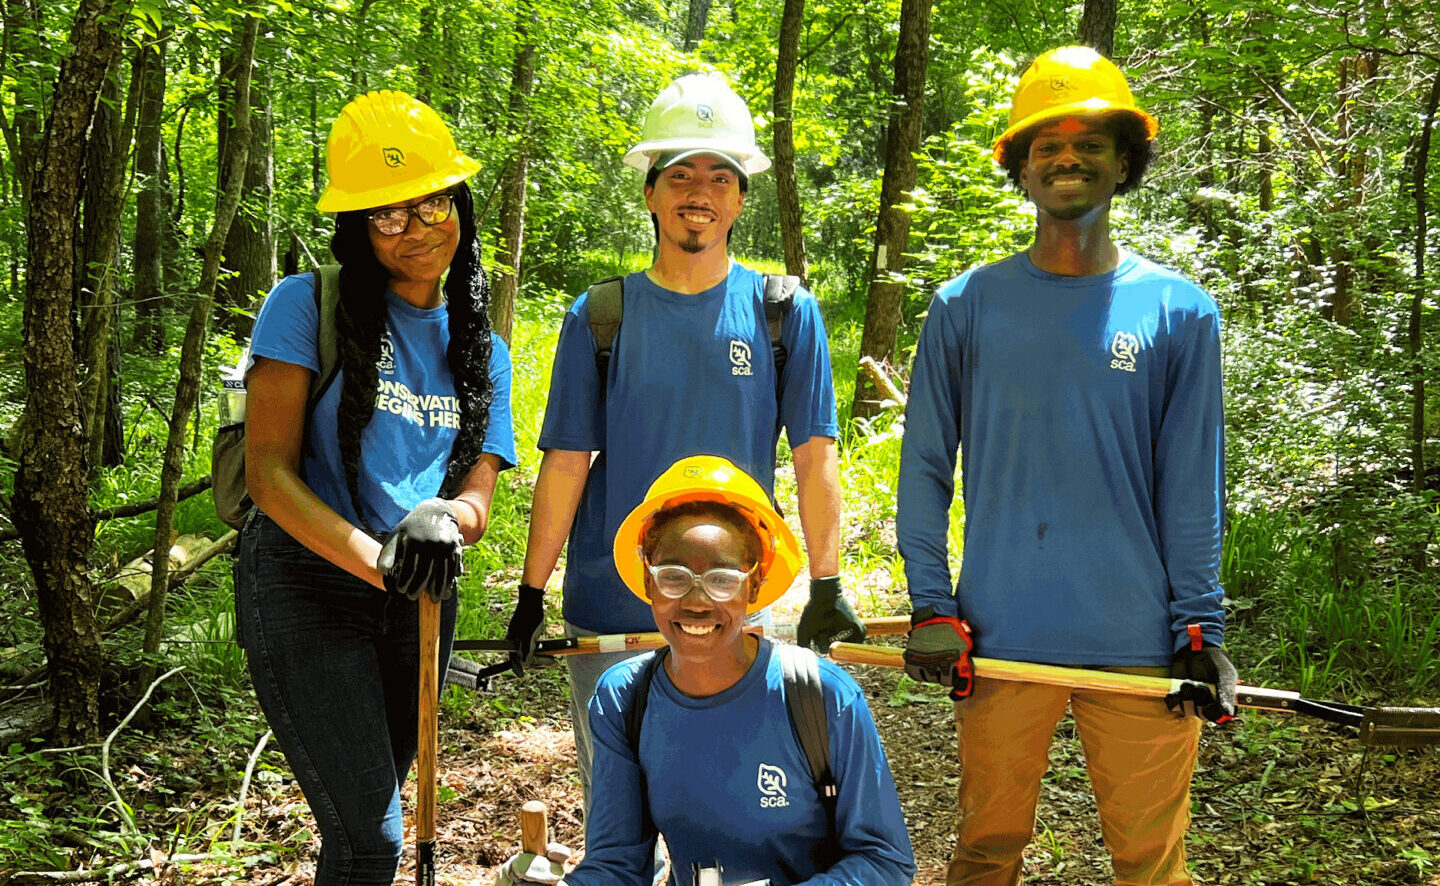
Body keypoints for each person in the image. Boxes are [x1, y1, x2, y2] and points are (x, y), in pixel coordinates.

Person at [895, 46, 1237, 886]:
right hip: (1001, 638)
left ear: (1125, 162)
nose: (1067, 158)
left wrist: (1199, 631)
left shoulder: (1179, 312)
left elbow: (1192, 482)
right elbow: (927, 464)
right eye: (1046, 145)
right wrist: (931, 604)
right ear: (1020, 166)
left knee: (1150, 863)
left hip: (1143, 647)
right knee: (984, 853)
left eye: (1090, 142)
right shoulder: (965, 305)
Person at [503, 73, 865, 820]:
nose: (699, 191)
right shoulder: (601, 314)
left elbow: (814, 456)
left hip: (737, 601)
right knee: (618, 806)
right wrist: (531, 594)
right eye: (681, 175)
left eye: (719, 176)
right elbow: (567, 460)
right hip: (614, 602)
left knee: (730, 805)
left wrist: (826, 585)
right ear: (651, 193)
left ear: (738, 198)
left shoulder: (782, 313)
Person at [234, 89, 516, 886]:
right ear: (357, 228)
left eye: (431, 204)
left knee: (371, 814)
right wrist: (378, 560)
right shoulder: (305, 305)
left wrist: (444, 518)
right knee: (371, 836)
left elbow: (479, 494)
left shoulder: (483, 348)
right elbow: (269, 473)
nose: (416, 231)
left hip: (421, 590)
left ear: (459, 203)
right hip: (307, 580)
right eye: (386, 216)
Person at [496, 456, 915, 886]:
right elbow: (618, 864)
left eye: (722, 579)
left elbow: (885, 861)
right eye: (674, 577)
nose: (697, 602)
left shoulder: (820, 696)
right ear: (647, 579)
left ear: (755, 583)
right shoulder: (624, 697)